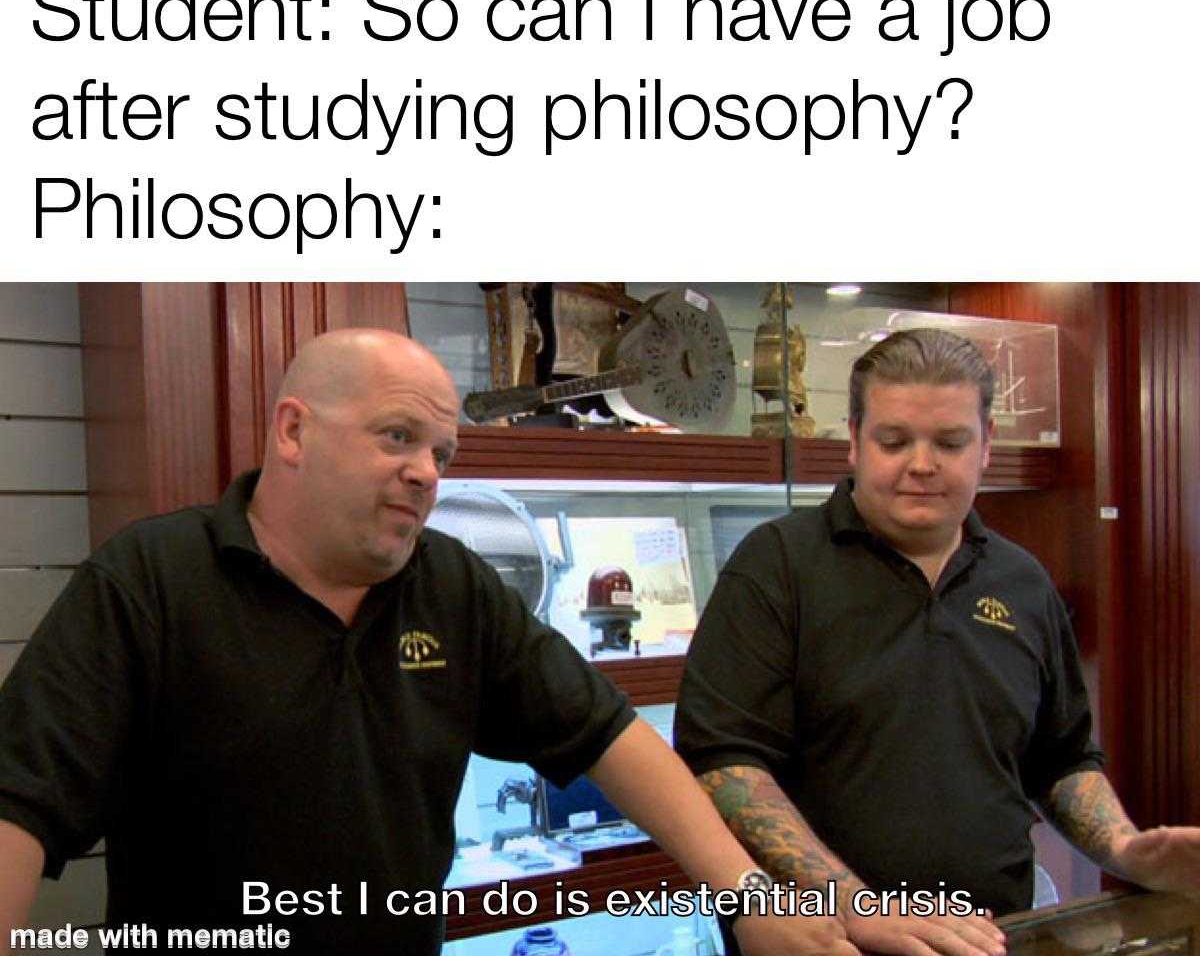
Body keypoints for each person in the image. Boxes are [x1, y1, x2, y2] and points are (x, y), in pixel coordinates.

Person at [0, 330, 855, 956]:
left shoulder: (452, 585)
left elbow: (608, 736)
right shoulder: (151, 580)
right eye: (398, 437)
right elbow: (18, 800)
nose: (427, 473)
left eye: (441, 451)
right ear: (293, 432)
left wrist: (745, 894)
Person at [675, 328, 1200, 956]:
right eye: (893, 441)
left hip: (992, 935)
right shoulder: (776, 566)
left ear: (985, 447)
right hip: (823, 941)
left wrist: (1124, 848)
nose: (920, 464)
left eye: (950, 443)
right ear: (853, 441)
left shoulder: (1022, 581)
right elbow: (723, 762)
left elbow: (1059, 758)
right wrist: (853, 904)